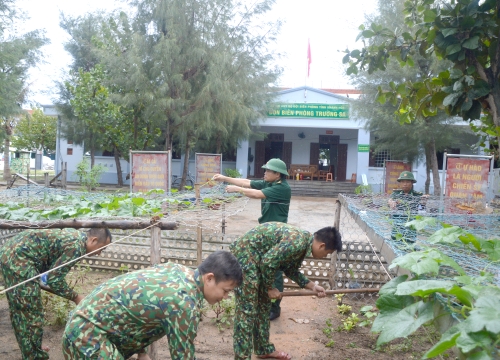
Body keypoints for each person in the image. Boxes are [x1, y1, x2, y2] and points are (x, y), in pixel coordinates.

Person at [62, 250, 243, 360]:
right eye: (226, 291)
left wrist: (142, 352)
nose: (226, 297)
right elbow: (183, 356)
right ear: (209, 278)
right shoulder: (184, 303)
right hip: (87, 337)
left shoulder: (178, 270)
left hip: (86, 327)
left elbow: (137, 305)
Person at [229, 222, 342, 360]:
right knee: (246, 311)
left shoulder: (304, 243)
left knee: (264, 305)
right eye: (328, 253)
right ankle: (242, 357)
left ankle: (263, 349)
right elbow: (267, 262)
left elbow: (289, 269)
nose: (325, 256)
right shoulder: (297, 242)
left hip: (257, 259)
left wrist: (312, 286)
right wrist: (269, 288)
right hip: (245, 256)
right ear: (322, 245)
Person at [0, 228, 112, 360]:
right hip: (19, 260)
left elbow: (51, 271)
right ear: (93, 240)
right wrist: (76, 297)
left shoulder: (77, 237)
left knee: (20, 310)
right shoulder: (76, 247)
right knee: (30, 313)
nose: (99, 253)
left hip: (10, 253)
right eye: (102, 248)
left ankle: (32, 348)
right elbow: (54, 280)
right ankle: (34, 356)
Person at [213, 158, 291, 321]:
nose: (265, 172)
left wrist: (236, 190)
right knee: (263, 266)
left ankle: (275, 308)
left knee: (275, 269)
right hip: (266, 231)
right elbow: (247, 182)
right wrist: (224, 178)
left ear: (277, 174)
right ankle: (265, 301)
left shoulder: (282, 188)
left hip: (276, 233)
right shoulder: (270, 184)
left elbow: (256, 194)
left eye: (268, 170)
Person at [388, 171, 427, 243]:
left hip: (410, 225)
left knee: (409, 244)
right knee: (395, 242)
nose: (405, 184)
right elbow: (390, 200)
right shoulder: (395, 194)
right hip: (398, 224)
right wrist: (391, 202)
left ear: (412, 183)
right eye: (402, 182)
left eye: (407, 182)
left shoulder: (417, 195)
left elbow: (422, 209)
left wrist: (424, 202)